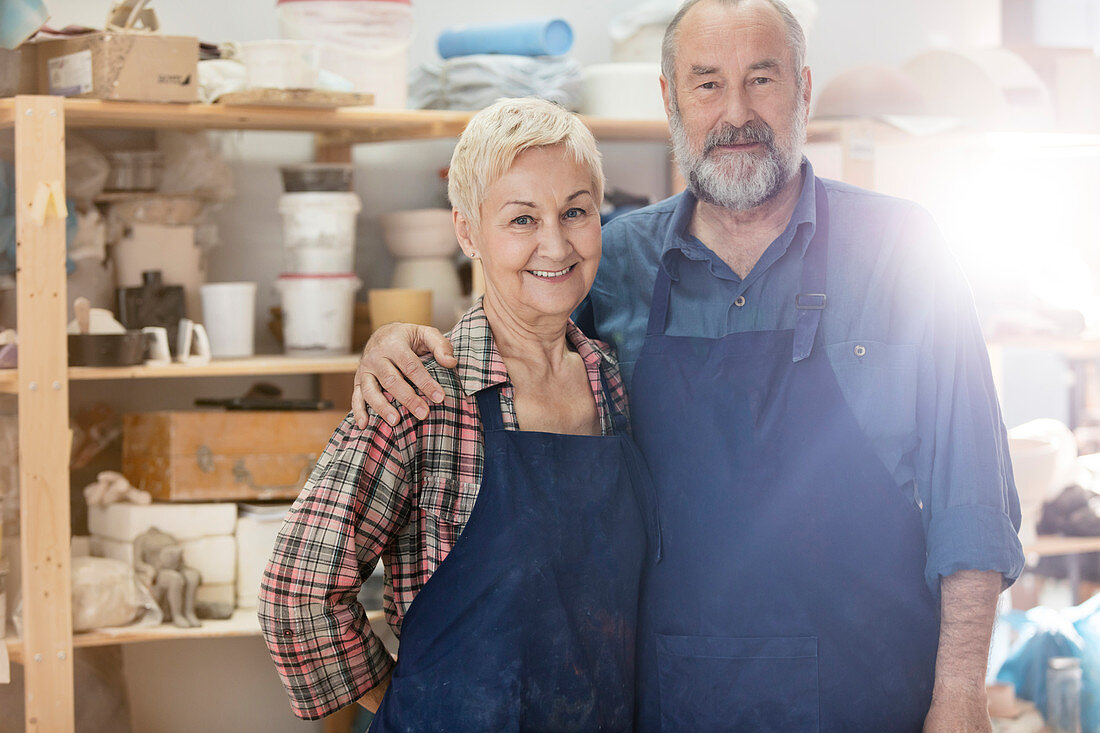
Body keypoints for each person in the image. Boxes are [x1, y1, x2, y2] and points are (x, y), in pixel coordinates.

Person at [351, 1, 1026, 730]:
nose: (736, 113)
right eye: (706, 84)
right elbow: (506, 360)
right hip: (670, 706)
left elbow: (973, 502)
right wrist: (397, 339)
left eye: (761, 79)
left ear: (802, 89)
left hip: (870, 698)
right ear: (670, 99)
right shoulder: (612, 265)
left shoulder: (904, 249)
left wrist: (959, 695)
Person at [259, 97, 655, 731]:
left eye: (575, 212)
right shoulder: (424, 393)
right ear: (468, 231)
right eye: (521, 219)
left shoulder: (611, 382)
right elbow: (297, 594)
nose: (555, 243)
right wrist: (406, 702)